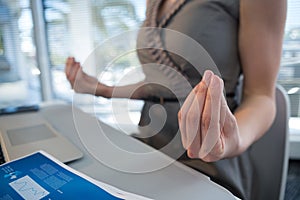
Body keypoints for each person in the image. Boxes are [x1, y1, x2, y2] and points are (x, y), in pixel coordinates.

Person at [65, 0, 287, 199]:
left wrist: (231, 140)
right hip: (150, 140)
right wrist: (103, 89)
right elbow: (162, 82)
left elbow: (261, 96)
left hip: (208, 156)